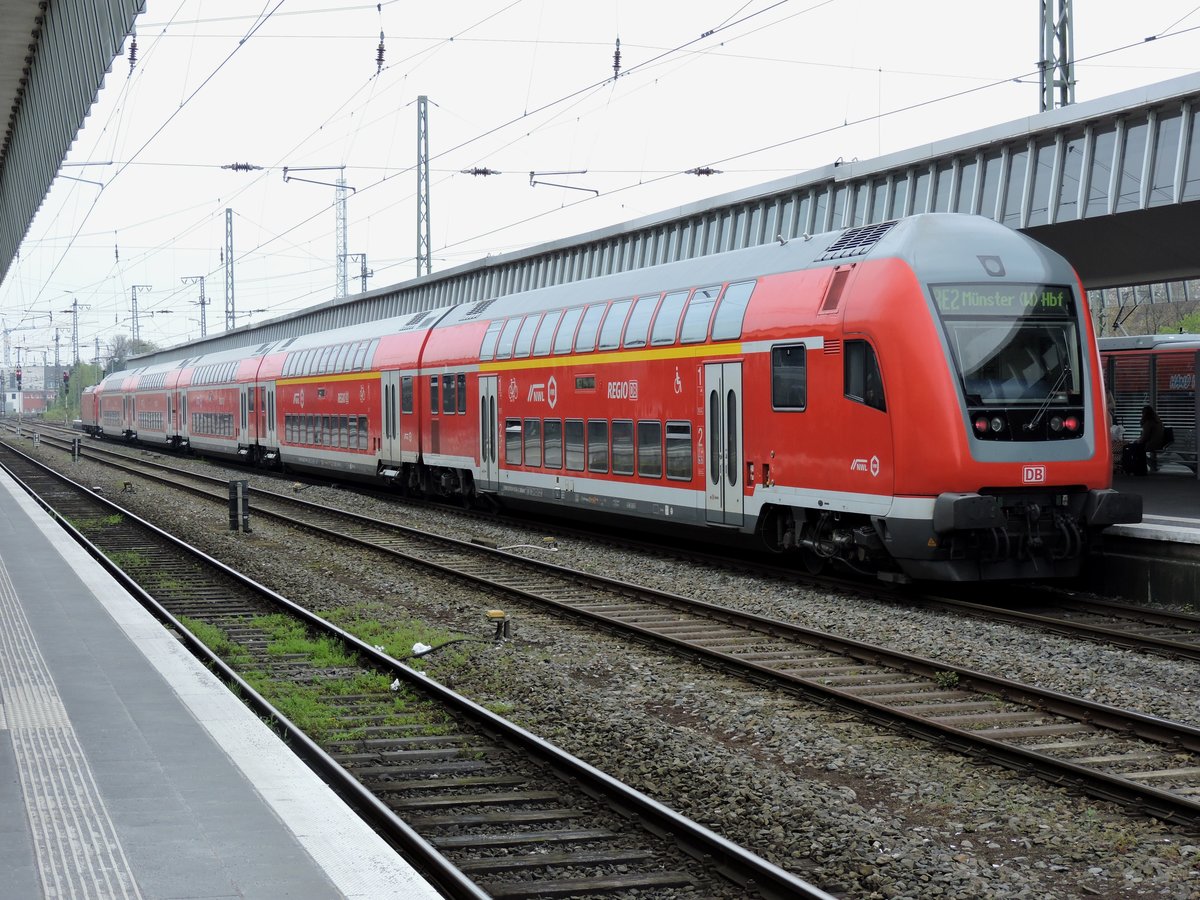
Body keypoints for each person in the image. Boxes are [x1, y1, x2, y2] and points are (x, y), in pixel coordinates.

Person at [1121, 405, 1167, 476]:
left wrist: (1137, 441)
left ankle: (1129, 468)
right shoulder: (1157, 421)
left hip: (1152, 444)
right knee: (1135, 448)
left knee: (1128, 448)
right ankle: (1141, 468)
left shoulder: (1149, 422)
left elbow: (1144, 437)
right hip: (1159, 443)